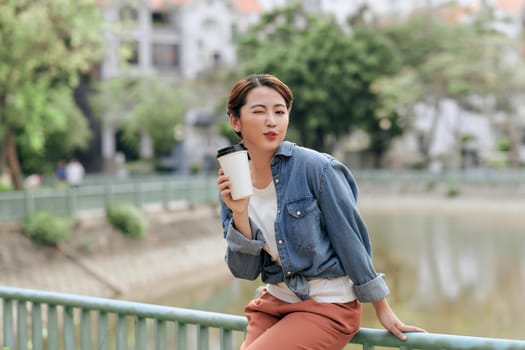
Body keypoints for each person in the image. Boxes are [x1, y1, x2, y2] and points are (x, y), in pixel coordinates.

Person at [216, 74, 426, 350]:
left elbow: (351, 240)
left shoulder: (317, 168)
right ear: (235, 121)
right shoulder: (232, 179)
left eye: (280, 112)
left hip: (327, 306)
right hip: (274, 302)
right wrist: (240, 214)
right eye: (259, 111)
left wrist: (381, 308)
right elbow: (244, 271)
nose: (272, 121)